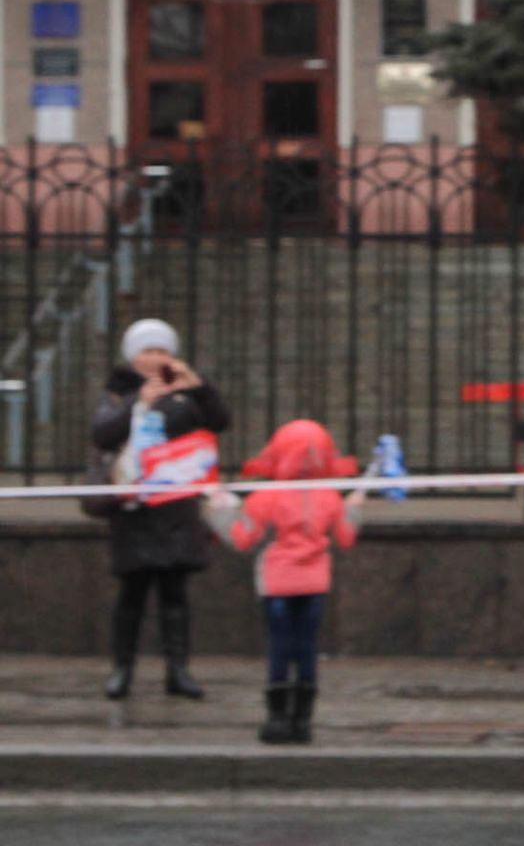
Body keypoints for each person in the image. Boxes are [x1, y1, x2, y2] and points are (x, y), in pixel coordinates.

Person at [84, 317, 231, 701]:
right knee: (131, 594)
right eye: (147, 351)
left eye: (162, 351)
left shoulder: (183, 394)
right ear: (134, 357)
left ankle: (178, 670)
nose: (155, 358)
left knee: (175, 593)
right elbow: (102, 433)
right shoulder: (118, 393)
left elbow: (219, 421)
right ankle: (122, 670)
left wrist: (197, 387)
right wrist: (139, 401)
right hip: (134, 508)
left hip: (175, 509)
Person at [205, 419, 366, 744]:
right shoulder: (329, 497)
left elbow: (242, 538)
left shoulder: (268, 497)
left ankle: (277, 720)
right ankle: (303, 721)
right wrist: (355, 509)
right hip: (315, 584)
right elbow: (346, 538)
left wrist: (217, 511)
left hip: (277, 584)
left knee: (280, 647)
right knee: (306, 648)